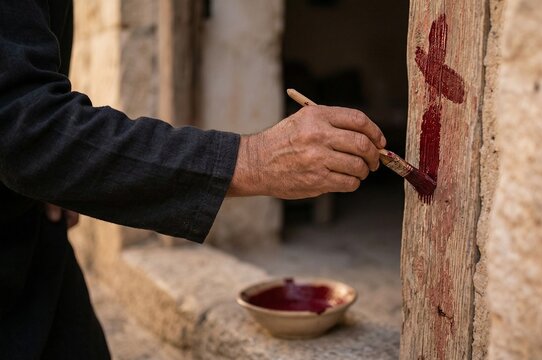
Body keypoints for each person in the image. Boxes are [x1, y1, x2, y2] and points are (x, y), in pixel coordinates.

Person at [0, 0, 387, 358]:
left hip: (33, 238)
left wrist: (52, 167)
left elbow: (26, 119)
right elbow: (20, 126)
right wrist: (252, 160)